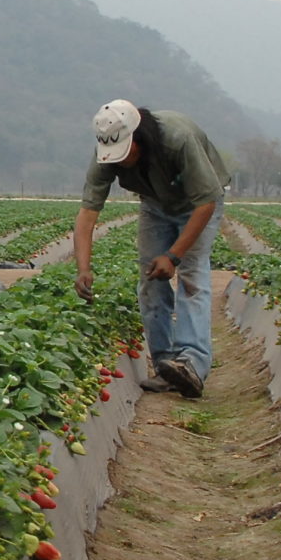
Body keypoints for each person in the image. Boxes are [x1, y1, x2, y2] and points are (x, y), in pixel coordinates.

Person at [71, 99, 229, 397]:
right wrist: (83, 269)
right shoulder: (106, 154)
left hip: (199, 203)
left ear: (138, 137)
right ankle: (165, 364)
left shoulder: (177, 139)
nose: (120, 159)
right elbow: (87, 214)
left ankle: (192, 363)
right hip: (155, 204)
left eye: (126, 150)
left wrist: (173, 255)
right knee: (150, 279)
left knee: (192, 276)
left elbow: (206, 203)